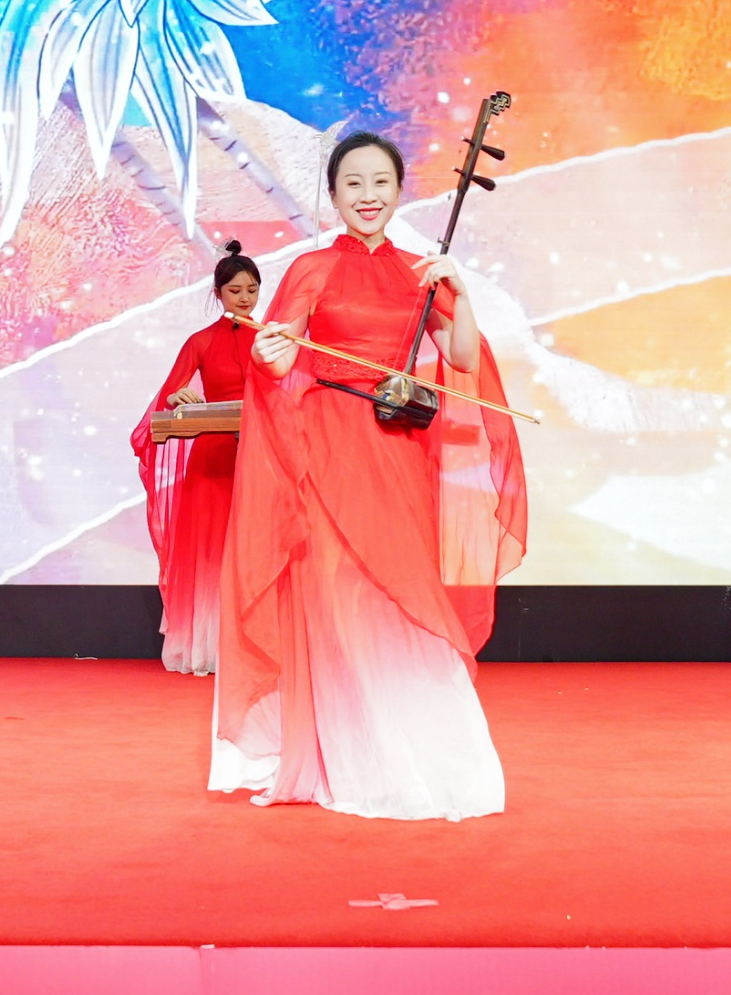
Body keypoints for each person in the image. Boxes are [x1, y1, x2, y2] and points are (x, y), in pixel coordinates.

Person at [212, 133, 527, 819]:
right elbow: (277, 359)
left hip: (398, 450)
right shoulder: (311, 269)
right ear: (333, 194)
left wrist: (460, 292)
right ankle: (356, 758)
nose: (367, 195)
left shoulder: (421, 272)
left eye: (380, 182)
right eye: (352, 183)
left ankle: (417, 754)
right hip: (326, 449)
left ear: (398, 190)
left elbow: (463, 358)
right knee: (339, 600)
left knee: (398, 595)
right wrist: (267, 354)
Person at [131, 244, 266, 675]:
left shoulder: (271, 339)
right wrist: (178, 397)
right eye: (234, 290)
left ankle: (259, 648)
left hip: (262, 457)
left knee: (258, 548)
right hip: (214, 459)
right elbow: (168, 395)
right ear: (218, 292)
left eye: (252, 290)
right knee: (212, 552)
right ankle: (210, 647)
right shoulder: (201, 341)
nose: (244, 298)